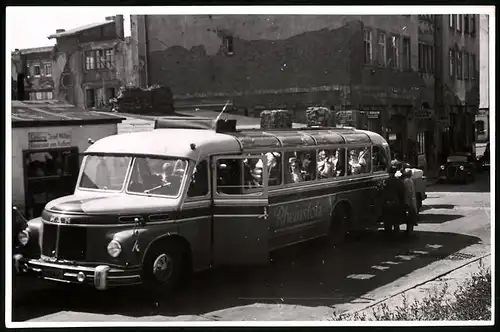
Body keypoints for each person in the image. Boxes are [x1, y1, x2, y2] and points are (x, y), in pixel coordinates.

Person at [382, 165, 406, 233]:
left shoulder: (386, 181)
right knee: (396, 220)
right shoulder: (399, 181)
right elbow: (402, 193)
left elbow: (382, 192)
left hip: (387, 203)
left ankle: (388, 233)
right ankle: (396, 232)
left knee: (387, 220)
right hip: (396, 202)